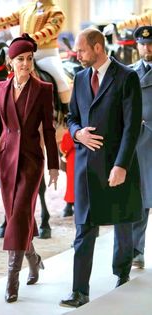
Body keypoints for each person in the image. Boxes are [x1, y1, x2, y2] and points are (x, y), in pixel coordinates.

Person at [60, 28, 142, 308]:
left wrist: (121, 165)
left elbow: (132, 127)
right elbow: (71, 117)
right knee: (84, 227)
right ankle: (79, 290)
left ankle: (122, 274)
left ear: (97, 48)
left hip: (117, 164)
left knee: (122, 222)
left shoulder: (127, 77)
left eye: (81, 50)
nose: (78, 55)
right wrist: (77, 133)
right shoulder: (81, 77)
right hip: (86, 167)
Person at [0, 33, 59, 303]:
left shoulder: (44, 89)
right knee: (17, 217)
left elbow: (48, 129)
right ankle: (33, 259)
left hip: (33, 161)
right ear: (10, 62)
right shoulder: (0, 88)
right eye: (20, 59)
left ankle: (12, 279)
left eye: (29, 59)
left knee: (21, 210)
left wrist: (54, 166)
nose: (26, 63)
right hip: (7, 159)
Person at [0, 0, 71, 112]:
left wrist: (27, 40)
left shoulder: (55, 12)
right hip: (23, 51)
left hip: (45, 54)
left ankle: (66, 114)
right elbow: (6, 21)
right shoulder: (26, 8)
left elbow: (50, 31)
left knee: (61, 81)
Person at [130, 26, 152, 269]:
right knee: (141, 197)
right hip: (139, 142)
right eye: (143, 44)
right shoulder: (130, 73)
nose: (147, 48)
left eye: (151, 43)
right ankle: (137, 249)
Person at [59, 129, 75, 217]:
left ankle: (70, 205)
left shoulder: (68, 134)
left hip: (72, 160)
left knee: (71, 183)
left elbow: (64, 147)